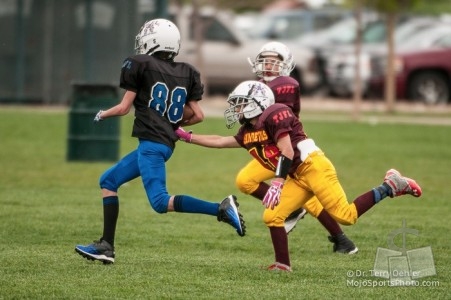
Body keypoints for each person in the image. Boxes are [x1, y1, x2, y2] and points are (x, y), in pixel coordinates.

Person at [175, 80, 422, 271]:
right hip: (296, 175)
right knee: (272, 215)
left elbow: (287, 149)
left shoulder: (276, 113)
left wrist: (278, 183)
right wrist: (187, 137)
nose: (236, 108)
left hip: (313, 166)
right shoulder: (248, 130)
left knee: (346, 216)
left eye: (240, 103)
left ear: (255, 102)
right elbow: (220, 141)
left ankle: (390, 185)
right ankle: (283, 265)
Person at [74, 19, 245, 264]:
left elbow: (123, 108)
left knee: (160, 202)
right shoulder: (186, 71)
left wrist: (102, 113)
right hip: (163, 144)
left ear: (152, 41)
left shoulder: (140, 64)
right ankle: (106, 246)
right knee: (109, 180)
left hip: (151, 145)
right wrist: (170, 125)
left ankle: (220, 208)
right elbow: (198, 115)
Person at [238, 41, 357, 254]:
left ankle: (341, 238)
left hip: (288, 150)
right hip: (271, 149)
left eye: (274, 62)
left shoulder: (287, 83)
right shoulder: (261, 84)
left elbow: (271, 99)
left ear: (285, 65)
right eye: (264, 61)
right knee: (245, 180)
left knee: (309, 198)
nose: (268, 65)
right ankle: (304, 216)